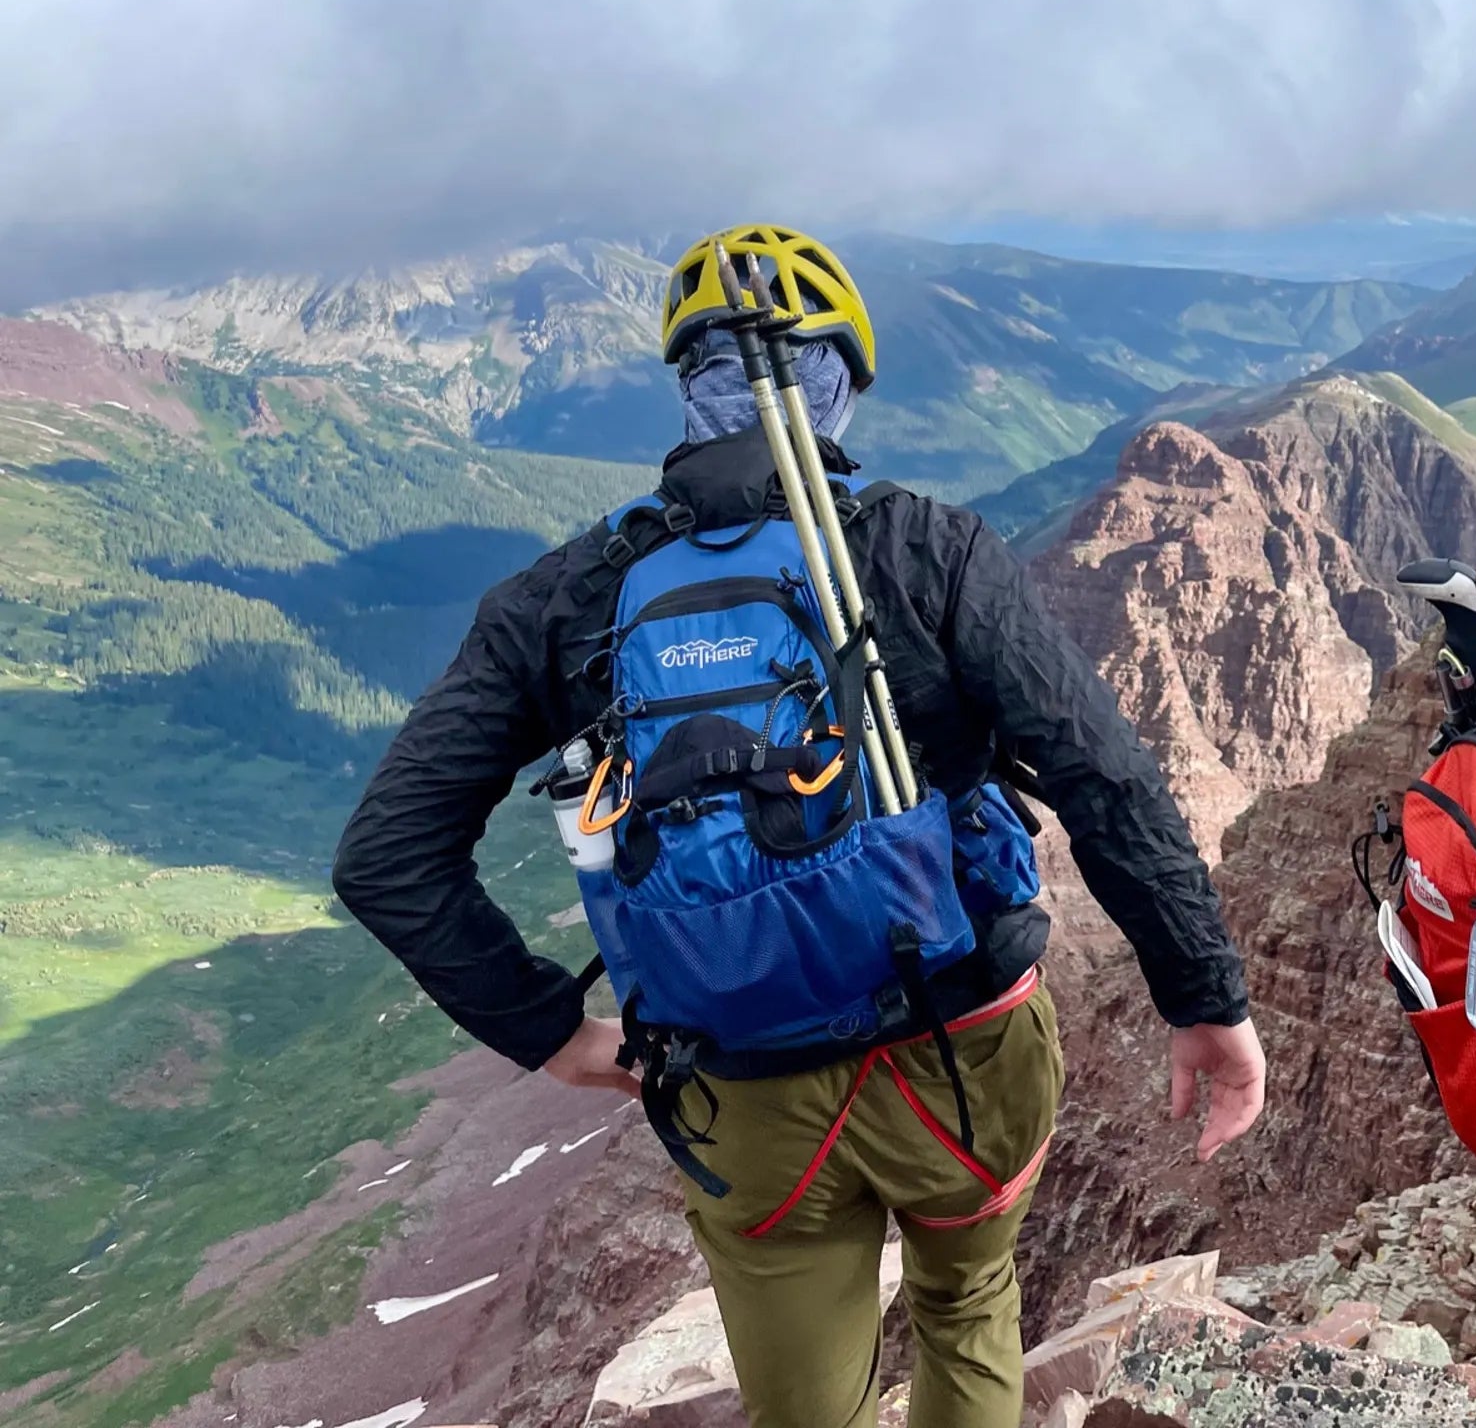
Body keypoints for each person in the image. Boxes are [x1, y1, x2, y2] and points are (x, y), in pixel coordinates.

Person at [333, 223, 1268, 1428]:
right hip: (962, 1044)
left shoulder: (565, 601)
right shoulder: (925, 548)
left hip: (741, 1082)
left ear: (685, 384)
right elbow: (1106, 778)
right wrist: (1204, 1000)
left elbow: (385, 853)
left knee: (803, 1406)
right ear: (840, 381)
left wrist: (550, 1027)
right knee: (968, 1302)